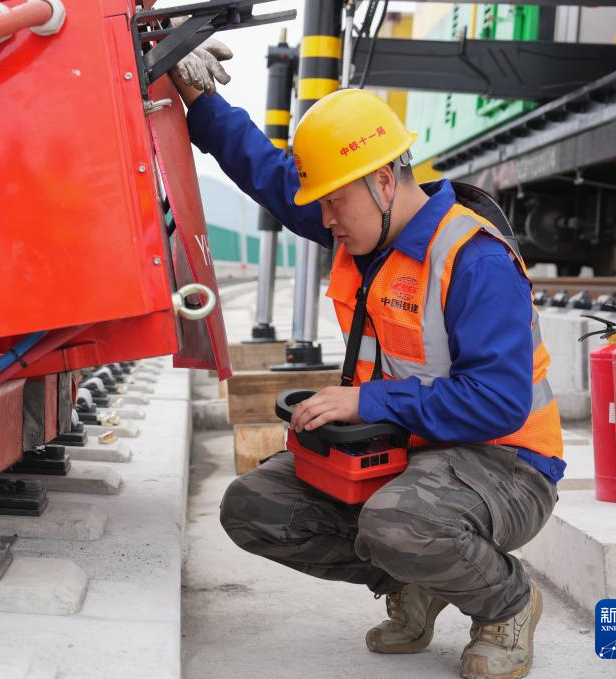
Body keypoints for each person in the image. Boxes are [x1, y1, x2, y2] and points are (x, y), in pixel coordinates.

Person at [169, 42, 566, 679]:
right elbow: (268, 173)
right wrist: (197, 95)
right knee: (254, 506)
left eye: (333, 202)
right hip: (411, 448)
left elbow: (498, 402)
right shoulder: (362, 223)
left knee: (397, 522)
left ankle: (507, 604)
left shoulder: (475, 259)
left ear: (383, 181)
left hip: (508, 463)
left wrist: (365, 400)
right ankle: (415, 581)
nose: (322, 219)